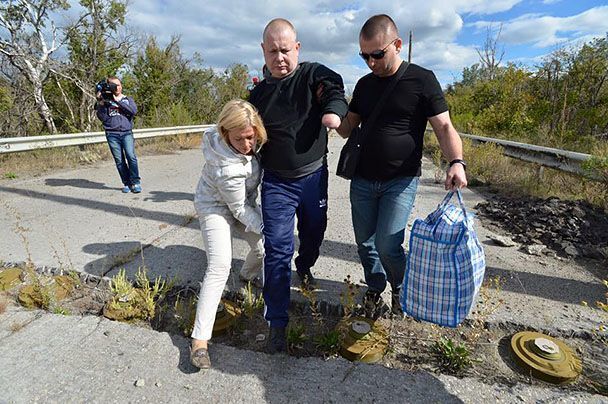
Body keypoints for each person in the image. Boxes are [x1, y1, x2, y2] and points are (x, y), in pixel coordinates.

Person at [336, 14, 468, 319]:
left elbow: (444, 126)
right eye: (364, 56)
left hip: (400, 180)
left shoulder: (422, 79)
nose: (370, 62)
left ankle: (401, 287)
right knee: (365, 245)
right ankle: (374, 288)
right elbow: (347, 128)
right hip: (363, 179)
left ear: (397, 45)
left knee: (387, 243)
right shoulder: (365, 85)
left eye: (377, 54)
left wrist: (457, 162)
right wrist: (329, 109)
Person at [249, 18, 348, 353]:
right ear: (264, 51)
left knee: (313, 232)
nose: (280, 57)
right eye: (273, 51)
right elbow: (241, 130)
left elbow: (333, 89)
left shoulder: (311, 75)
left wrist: (333, 112)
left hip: (312, 178)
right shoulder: (258, 94)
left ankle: (305, 266)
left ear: (297, 49)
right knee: (276, 249)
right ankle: (277, 321)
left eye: (286, 50)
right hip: (276, 182)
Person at [190, 99, 267, 369]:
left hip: (242, 203)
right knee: (220, 265)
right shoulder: (226, 167)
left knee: (261, 249)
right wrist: (269, 228)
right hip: (215, 208)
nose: (248, 144)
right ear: (225, 134)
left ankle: (246, 277)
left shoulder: (249, 138)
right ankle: (199, 342)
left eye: (251, 137)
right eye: (240, 139)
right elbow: (239, 210)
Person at [95, 76, 141, 193]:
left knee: (131, 157)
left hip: (126, 133)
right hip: (112, 134)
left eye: (119, 85)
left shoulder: (127, 99)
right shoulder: (106, 102)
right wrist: (100, 104)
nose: (117, 88)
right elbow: (103, 118)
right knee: (119, 160)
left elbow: (133, 111)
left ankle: (135, 182)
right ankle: (127, 183)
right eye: (114, 85)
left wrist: (116, 101)